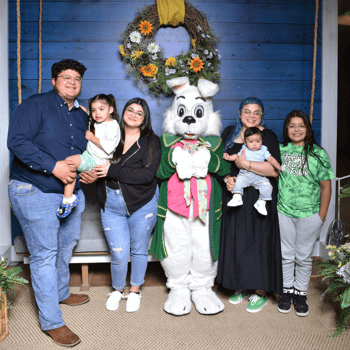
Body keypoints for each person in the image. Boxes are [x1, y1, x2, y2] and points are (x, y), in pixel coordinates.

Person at [8, 59, 89, 347]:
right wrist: (52, 166)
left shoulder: (82, 115)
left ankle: (61, 291)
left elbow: (82, 153)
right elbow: (16, 141)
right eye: (66, 77)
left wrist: (87, 171)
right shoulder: (35, 105)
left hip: (70, 193)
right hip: (35, 189)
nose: (72, 81)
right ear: (54, 81)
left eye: (77, 78)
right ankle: (52, 322)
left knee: (66, 245)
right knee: (44, 254)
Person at [93, 98, 161, 313]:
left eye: (139, 113)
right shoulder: (110, 133)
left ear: (144, 118)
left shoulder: (151, 141)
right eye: (130, 110)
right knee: (120, 253)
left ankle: (135, 290)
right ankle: (116, 289)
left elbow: (147, 175)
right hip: (111, 203)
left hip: (143, 203)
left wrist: (112, 171)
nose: (133, 114)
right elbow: (94, 159)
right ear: (122, 112)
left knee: (139, 250)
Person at [216, 97, 283, 313]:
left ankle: (261, 291)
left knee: (260, 241)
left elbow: (274, 170)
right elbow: (217, 162)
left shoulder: (268, 136)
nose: (251, 116)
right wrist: (227, 178)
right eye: (247, 111)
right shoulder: (228, 133)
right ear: (239, 113)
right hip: (235, 195)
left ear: (262, 116)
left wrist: (245, 164)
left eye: (256, 112)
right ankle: (241, 284)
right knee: (238, 239)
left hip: (259, 196)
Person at [277, 110, 334, 316]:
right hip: (284, 212)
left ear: (307, 128)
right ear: (287, 129)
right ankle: (286, 291)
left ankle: (300, 294)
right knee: (286, 254)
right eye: (292, 125)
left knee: (303, 256)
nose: (296, 129)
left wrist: (322, 216)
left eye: (301, 125)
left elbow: (326, 187)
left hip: (310, 214)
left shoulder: (318, 154)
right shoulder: (280, 150)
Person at [57, 94, 120, 218]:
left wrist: (92, 138)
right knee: (69, 163)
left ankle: (68, 198)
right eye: (93, 110)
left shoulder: (113, 125)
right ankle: (69, 197)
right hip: (89, 156)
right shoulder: (97, 121)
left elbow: (109, 148)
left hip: (97, 161)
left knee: (69, 163)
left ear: (110, 109)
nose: (97, 113)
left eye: (101, 109)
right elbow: (88, 115)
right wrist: (82, 108)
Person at [223, 127, 281, 215]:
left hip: (259, 176)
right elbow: (236, 156)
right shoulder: (244, 149)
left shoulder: (263, 149)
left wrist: (279, 167)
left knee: (268, 187)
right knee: (238, 181)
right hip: (245, 175)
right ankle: (237, 197)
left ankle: (261, 202)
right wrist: (229, 157)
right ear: (245, 143)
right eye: (251, 142)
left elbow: (271, 159)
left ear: (262, 141)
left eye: (258, 141)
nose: (254, 144)